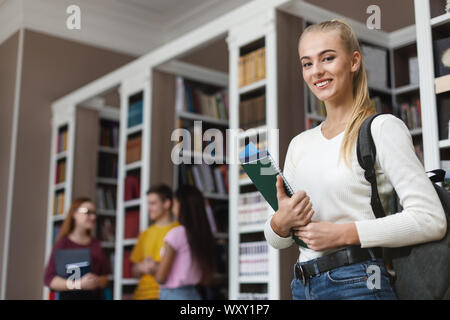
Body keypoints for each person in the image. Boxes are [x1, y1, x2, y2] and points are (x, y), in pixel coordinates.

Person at [264, 19, 447, 300]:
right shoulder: (299, 145)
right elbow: (277, 240)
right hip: (302, 286)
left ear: (353, 61)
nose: (317, 71)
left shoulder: (382, 128)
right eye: (307, 63)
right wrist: (281, 221)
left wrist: (343, 234)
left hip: (360, 283)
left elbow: (431, 220)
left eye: (327, 58)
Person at [147, 185, 216, 300]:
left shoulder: (176, 234)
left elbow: (161, 277)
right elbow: (207, 279)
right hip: (194, 294)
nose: (173, 208)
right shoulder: (203, 235)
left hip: (173, 294)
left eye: (174, 203)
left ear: (182, 206)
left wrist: (152, 267)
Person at [44, 197, 110, 300]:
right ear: (74, 214)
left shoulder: (96, 244)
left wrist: (96, 281)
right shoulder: (62, 244)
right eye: (87, 212)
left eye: (94, 213)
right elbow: (50, 279)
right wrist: (77, 284)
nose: (92, 217)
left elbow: (105, 277)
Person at [130, 184, 179, 300]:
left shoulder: (178, 230)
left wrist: (156, 267)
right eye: (148, 204)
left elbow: (182, 268)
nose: (149, 208)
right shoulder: (145, 233)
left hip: (166, 294)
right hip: (140, 295)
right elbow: (134, 270)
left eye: (153, 203)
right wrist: (141, 268)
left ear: (167, 203)